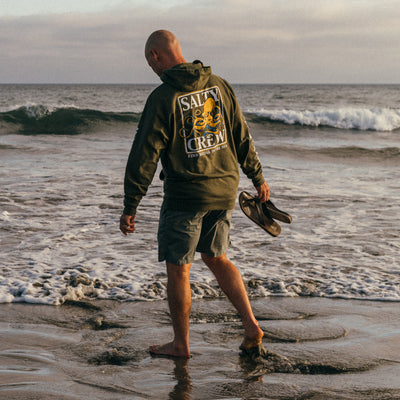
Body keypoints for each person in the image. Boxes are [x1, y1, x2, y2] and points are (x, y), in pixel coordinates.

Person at [120, 30, 270, 358]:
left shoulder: (162, 98)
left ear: (155, 56)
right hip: (224, 188)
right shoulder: (219, 84)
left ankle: (180, 344)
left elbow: (144, 154)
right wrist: (257, 177)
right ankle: (251, 327)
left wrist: (131, 203)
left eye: (149, 60)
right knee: (216, 257)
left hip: (187, 195)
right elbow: (241, 133)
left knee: (179, 267)